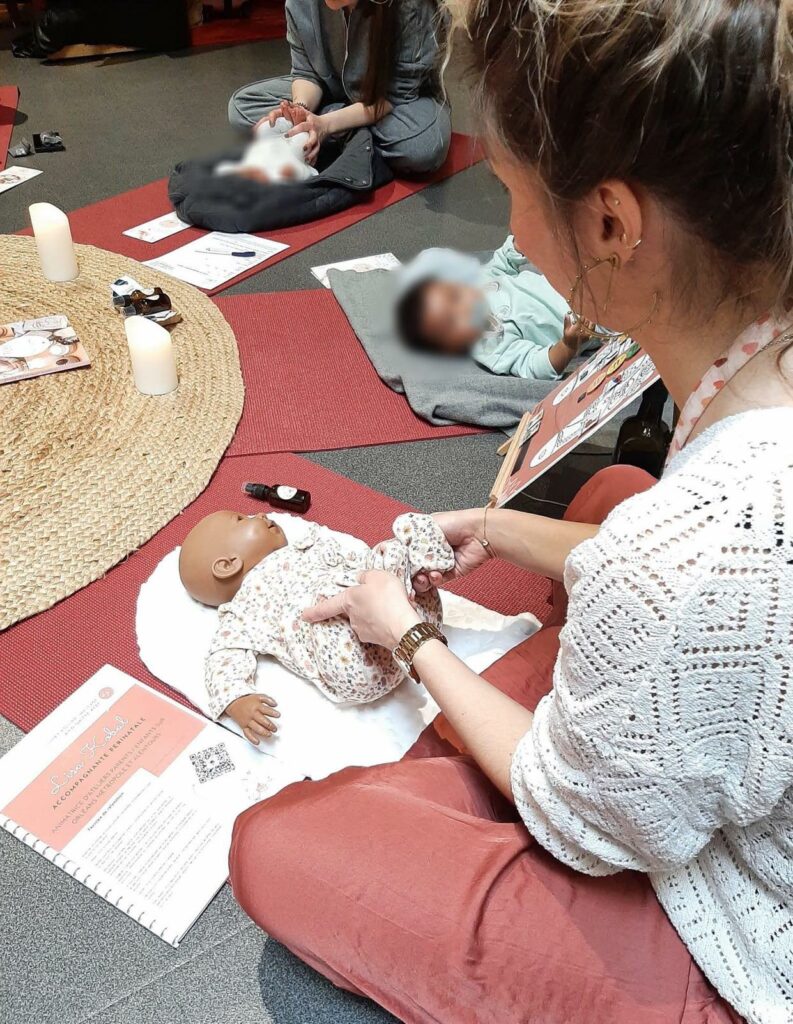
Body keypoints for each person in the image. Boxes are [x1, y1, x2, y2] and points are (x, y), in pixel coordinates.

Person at [228, 2, 793, 1022]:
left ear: (611, 223)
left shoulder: (687, 554)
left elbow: (588, 827)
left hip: (746, 919)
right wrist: (495, 530)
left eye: (510, 191)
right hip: (701, 699)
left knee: (277, 850)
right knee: (614, 494)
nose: (511, 232)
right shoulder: (753, 372)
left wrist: (412, 638)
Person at [178, 510, 453, 743]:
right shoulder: (243, 609)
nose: (259, 514)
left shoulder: (308, 548)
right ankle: (395, 578)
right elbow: (222, 655)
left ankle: (411, 573)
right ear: (227, 565)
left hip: (414, 626)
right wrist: (236, 699)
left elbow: (355, 563)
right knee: (326, 600)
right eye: (242, 519)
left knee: (395, 545)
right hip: (355, 660)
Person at [227, 0, 451, 176]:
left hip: (394, 104)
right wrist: (299, 110)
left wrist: (326, 124)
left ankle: (331, 129)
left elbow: (395, 96)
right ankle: (335, 129)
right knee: (241, 107)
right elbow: (306, 72)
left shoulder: (413, 5)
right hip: (333, 90)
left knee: (423, 148)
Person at [396, 235, 592, 379]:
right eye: (451, 321)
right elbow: (531, 365)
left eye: (454, 297)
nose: (463, 309)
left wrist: (517, 247)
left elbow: (501, 263)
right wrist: (567, 345)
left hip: (575, 278)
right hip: (588, 318)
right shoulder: (490, 346)